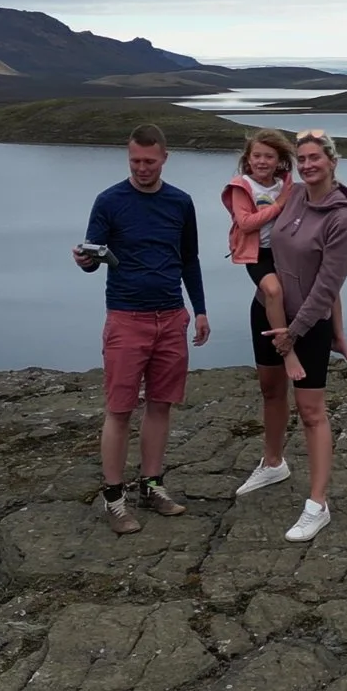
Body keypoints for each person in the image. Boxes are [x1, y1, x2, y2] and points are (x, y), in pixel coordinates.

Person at [73, 124, 210, 535]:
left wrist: (199, 311)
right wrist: (85, 261)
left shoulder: (180, 203)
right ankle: (114, 498)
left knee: (161, 405)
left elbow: (190, 260)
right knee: (119, 410)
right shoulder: (110, 201)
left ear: (165, 157)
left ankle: (152, 486)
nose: (142, 168)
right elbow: (95, 254)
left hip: (171, 316)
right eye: (135, 160)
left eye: (149, 161)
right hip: (126, 317)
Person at [253, 129, 347, 542]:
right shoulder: (294, 194)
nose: (308, 164)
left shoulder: (343, 221)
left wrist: (292, 336)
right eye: (302, 158)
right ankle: (273, 463)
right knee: (269, 389)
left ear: (332, 162)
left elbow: (326, 288)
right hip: (266, 309)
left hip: (306, 324)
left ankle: (318, 504)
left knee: (312, 412)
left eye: (315, 157)